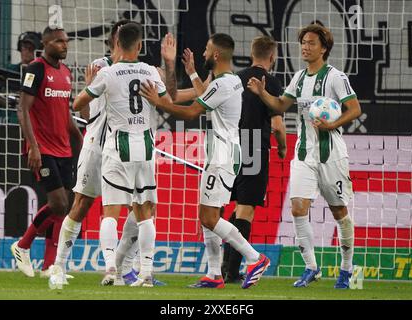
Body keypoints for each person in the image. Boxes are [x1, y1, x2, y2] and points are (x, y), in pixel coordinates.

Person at [140, 33, 271, 289]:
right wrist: (191, 73)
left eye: (207, 50)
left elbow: (191, 110)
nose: (202, 55)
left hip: (222, 156)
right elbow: (206, 97)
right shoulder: (229, 80)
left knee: (209, 217)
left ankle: (255, 258)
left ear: (217, 55)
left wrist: (159, 101)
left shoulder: (223, 84)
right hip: (222, 154)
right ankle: (214, 274)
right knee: (207, 215)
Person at [247, 23, 362, 289]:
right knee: (298, 208)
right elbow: (280, 105)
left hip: (331, 154)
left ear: (324, 47)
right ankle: (311, 267)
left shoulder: (335, 77)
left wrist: (332, 124)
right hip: (303, 154)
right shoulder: (298, 78)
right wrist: (263, 93)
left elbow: (354, 109)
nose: (305, 48)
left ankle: (346, 269)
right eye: (303, 43)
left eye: (311, 43)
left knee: (339, 212)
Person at [73, 22, 170, 287]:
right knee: (145, 213)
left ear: (117, 44)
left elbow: (77, 103)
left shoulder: (109, 73)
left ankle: (109, 269)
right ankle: (147, 274)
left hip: (118, 149)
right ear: (139, 45)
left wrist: (91, 87)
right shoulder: (151, 71)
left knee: (110, 213)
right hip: (147, 148)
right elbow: (168, 103)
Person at [47, 19, 129, 288]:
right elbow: (84, 113)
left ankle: (124, 269)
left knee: (134, 209)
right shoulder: (99, 66)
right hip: (96, 146)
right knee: (81, 205)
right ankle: (58, 264)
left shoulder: (135, 70)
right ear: (115, 40)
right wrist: (89, 89)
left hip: (121, 150)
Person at [11, 26, 83, 278]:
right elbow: (23, 109)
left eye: (67, 41)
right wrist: (32, 146)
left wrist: (79, 140)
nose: (65, 45)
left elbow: (64, 112)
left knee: (64, 207)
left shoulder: (65, 72)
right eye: (60, 42)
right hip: (42, 149)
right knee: (59, 203)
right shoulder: (36, 69)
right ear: (47, 44)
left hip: (63, 148)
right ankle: (22, 246)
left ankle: (50, 267)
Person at [221, 35, 287, 284]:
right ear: (272, 56)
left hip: (230, 148)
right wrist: (282, 147)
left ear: (251, 54)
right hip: (254, 148)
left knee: (235, 209)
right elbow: (278, 125)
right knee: (246, 211)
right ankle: (230, 272)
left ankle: (225, 267)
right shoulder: (271, 82)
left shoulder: (235, 79)